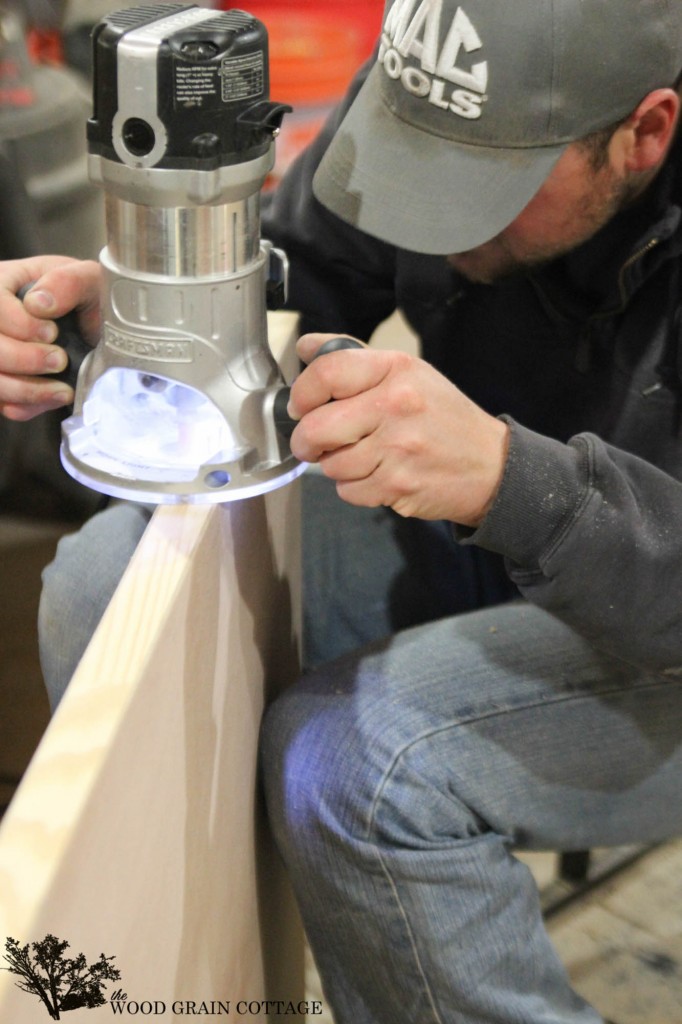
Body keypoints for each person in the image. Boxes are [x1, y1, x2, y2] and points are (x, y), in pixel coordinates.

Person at [2, 0, 682, 1020]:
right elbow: (310, 272)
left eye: (481, 192)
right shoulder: (443, 85)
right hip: (496, 525)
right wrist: (149, 319)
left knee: (358, 765)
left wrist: (512, 482)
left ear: (644, 133)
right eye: (420, 166)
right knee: (100, 587)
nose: (436, 224)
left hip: (653, 601)